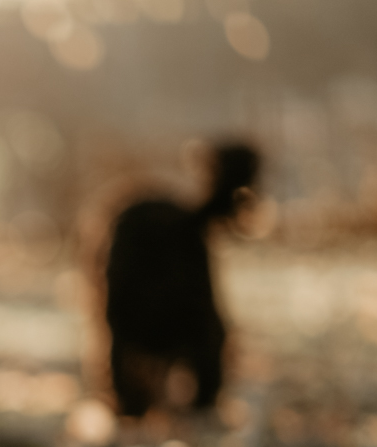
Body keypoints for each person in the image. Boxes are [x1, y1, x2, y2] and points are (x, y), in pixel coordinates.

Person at [103, 142, 260, 417]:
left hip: (134, 304)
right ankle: (201, 411)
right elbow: (212, 336)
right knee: (201, 334)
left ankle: (135, 411)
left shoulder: (133, 233)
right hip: (170, 306)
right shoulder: (178, 233)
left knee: (130, 336)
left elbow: (115, 323)